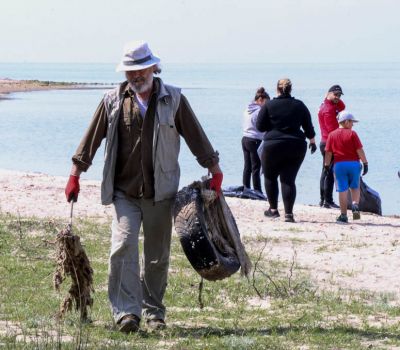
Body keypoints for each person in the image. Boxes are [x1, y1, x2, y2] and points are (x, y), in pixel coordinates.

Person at [64, 41, 223, 333]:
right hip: (124, 192)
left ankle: (154, 312)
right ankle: (126, 313)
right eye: (129, 71)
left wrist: (214, 169)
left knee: (157, 255)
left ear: (153, 67)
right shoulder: (112, 100)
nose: (135, 76)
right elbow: (91, 138)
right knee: (122, 247)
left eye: (140, 69)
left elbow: (196, 136)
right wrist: (75, 174)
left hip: (161, 193)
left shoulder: (173, 99)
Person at [256, 78, 317, 223]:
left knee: (270, 177)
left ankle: (273, 210)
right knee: (288, 180)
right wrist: (313, 141)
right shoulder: (299, 105)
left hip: (273, 145)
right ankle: (289, 214)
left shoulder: (268, 105)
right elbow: (309, 127)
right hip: (296, 145)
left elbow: (260, 127)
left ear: (277, 89)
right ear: (291, 89)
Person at [324, 111, 368, 224]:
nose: (353, 125)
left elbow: (328, 153)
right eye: (352, 122)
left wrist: (326, 166)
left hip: (339, 165)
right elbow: (360, 150)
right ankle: (355, 208)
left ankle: (343, 216)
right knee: (355, 187)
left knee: (342, 190)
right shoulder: (353, 134)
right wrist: (365, 163)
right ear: (346, 122)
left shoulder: (332, 135)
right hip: (354, 165)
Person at [317, 85, 346, 208]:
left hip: (327, 142)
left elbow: (342, 107)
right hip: (329, 142)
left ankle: (323, 200)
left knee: (326, 171)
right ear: (329, 93)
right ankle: (327, 200)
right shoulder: (328, 109)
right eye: (335, 95)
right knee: (329, 173)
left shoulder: (329, 105)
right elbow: (331, 130)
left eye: (339, 95)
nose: (337, 98)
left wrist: (332, 99)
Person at [241, 87, 270, 193]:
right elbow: (263, 126)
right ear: (261, 100)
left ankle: (245, 188)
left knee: (247, 167)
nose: (268, 105)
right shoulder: (260, 110)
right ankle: (258, 191)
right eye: (267, 102)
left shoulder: (247, 109)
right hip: (255, 140)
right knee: (256, 167)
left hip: (245, 139)